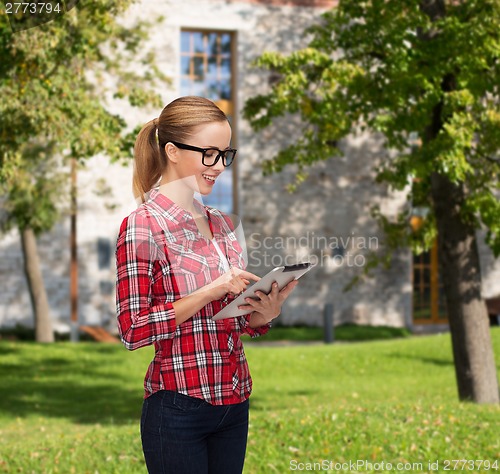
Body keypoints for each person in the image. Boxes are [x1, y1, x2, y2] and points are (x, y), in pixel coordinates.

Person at [115, 96, 298, 474]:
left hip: (233, 400)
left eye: (225, 154)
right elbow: (133, 330)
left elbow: (232, 319)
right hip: (178, 407)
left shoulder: (222, 224)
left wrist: (263, 313)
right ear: (172, 151)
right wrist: (211, 290)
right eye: (209, 153)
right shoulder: (143, 227)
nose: (218, 166)